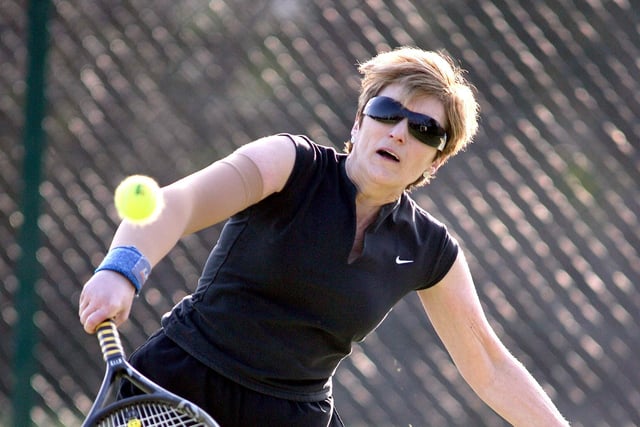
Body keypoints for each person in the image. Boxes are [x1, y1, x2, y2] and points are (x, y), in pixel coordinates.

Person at [79, 46, 569, 426]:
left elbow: (488, 364)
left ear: (436, 161)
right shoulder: (288, 164)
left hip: (293, 416)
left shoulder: (429, 249)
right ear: (359, 121)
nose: (400, 132)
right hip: (180, 385)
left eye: (425, 129)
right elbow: (177, 204)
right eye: (387, 111)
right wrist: (123, 268)